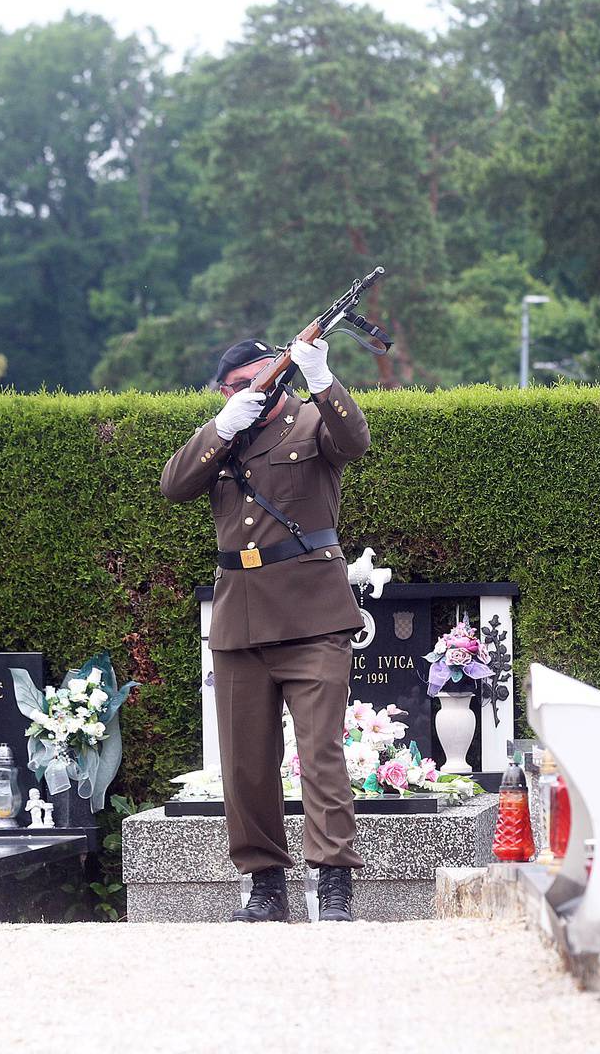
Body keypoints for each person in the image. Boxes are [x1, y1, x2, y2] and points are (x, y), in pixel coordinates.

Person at [160, 337, 369, 923]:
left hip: (311, 614)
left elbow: (355, 441)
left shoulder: (311, 422)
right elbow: (174, 485)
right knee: (245, 762)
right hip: (241, 615)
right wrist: (221, 425)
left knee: (320, 752)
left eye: (255, 379)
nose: (246, 391)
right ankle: (266, 884)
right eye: (231, 387)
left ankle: (333, 884)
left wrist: (323, 379)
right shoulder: (228, 433)